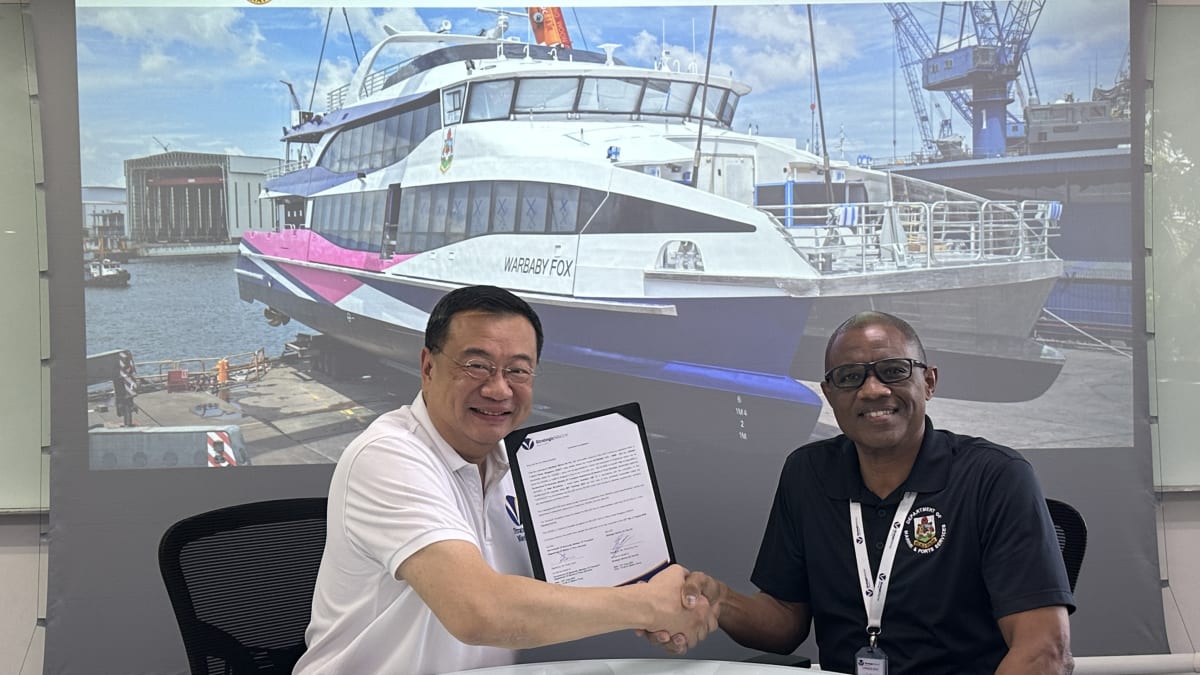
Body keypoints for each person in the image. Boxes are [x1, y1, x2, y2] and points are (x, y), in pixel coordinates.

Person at [295, 285, 715, 675]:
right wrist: (647, 606)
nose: (499, 389)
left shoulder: (526, 465)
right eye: (477, 365)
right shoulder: (388, 455)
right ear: (427, 366)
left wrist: (677, 600)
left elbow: (576, 592)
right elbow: (479, 612)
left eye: (518, 371)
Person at [648, 310, 1075, 674]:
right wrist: (719, 601)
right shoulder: (808, 473)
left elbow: (1043, 651)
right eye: (850, 377)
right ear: (830, 395)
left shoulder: (995, 477)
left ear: (928, 382)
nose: (873, 390)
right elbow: (784, 622)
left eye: (893, 371)